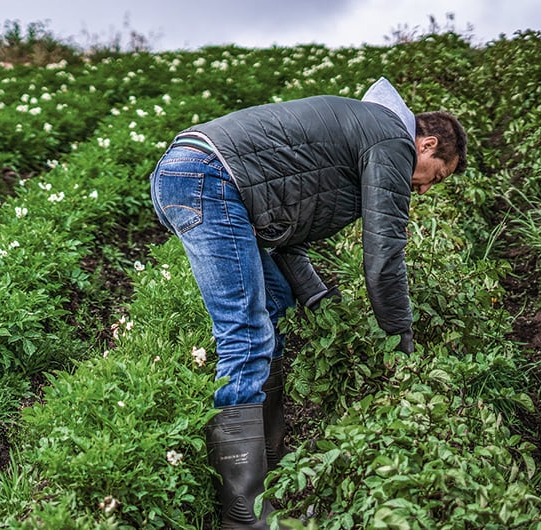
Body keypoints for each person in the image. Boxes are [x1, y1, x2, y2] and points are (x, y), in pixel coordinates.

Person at [148, 77, 467, 529]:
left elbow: (284, 232)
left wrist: (319, 297)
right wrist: (402, 344)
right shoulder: (391, 139)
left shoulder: (363, 134)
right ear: (427, 143)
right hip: (209, 178)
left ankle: (271, 465)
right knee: (245, 329)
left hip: (198, 173)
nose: (426, 189)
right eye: (436, 175)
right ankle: (245, 514)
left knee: (272, 307)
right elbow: (383, 257)